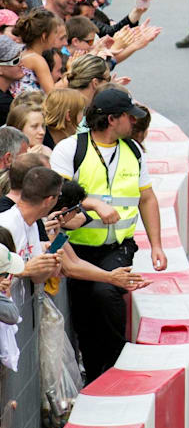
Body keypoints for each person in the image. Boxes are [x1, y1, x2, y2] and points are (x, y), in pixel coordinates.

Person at [50, 88, 166, 381]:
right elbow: (57, 195)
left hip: (118, 246)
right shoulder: (70, 149)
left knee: (106, 293)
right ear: (112, 119)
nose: (133, 123)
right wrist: (94, 203)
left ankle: (117, 365)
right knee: (85, 315)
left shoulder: (133, 151)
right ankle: (95, 373)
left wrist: (156, 246)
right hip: (76, 246)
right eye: (129, 117)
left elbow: (147, 199)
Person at [0, 167, 61, 285]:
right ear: (49, 200)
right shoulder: (5, 224)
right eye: (59, 195)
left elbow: (37, 279)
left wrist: (49, 264)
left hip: (20, 302)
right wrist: (24, 269)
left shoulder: (32, 224)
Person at [11, 8, 65, 95]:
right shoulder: (37, 60)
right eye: (55, 32)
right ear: (44, 36)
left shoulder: (23, 51)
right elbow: (52, 94)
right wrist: (71, 74)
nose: (56, 36)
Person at [0, 37, 25, 126]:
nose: (22, 63)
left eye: (20, 57)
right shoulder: (4, 104)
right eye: (16, 61)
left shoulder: (8, 93)